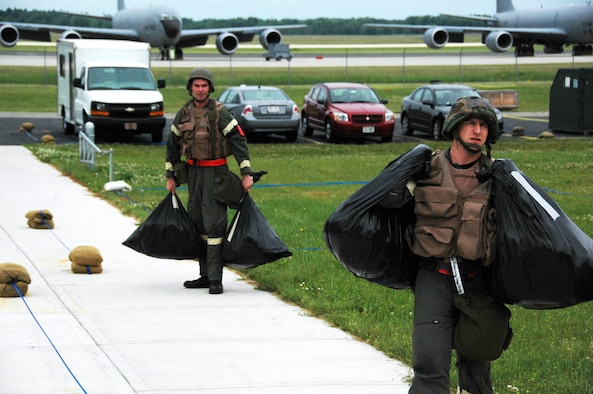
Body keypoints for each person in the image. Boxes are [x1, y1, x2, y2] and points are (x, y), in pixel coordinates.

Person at [406, 96, 504, 394]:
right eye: (471, 124)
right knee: (429, 365)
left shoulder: (499, 177)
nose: (478, 130)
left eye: (484, 125)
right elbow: (387, 206)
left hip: (478, 281)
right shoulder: (424, 170)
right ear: (455, 128)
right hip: (433, 278)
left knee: (477, 369)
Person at [165, 68, 254, 295]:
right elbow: (172, 145)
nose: (200, 89)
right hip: (194, 175)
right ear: (191, 88)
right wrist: (170, 177)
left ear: (210, 88)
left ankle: (216, 279)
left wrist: (246, 173)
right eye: (196, 85)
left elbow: (239, 140)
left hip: (216, 175)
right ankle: (204, 275)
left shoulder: (219, 113)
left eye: (204, 86)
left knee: (214, 226)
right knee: (198, 224)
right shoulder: (183, 113)